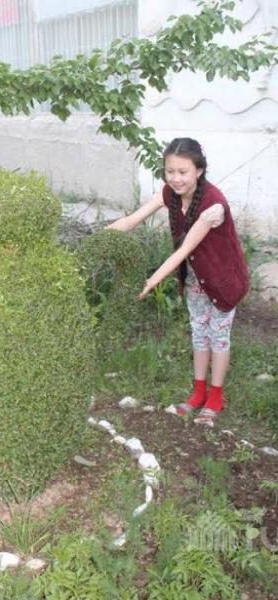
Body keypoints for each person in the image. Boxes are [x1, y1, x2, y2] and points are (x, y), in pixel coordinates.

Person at [107, 138, 249, 425]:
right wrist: (100, 239)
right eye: (170, 171)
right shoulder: (169, 194)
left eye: (183, 172)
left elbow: (183, 251)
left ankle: (215, 397)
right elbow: (132, 220)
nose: (175, 178)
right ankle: (197, 393)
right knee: (199, 332)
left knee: (218, 337)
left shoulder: (213, 206)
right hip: (196, 279)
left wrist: (150, 282)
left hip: (224, 281)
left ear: (199, 170)